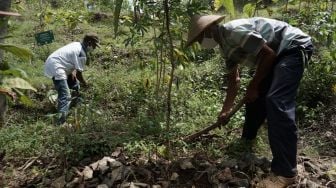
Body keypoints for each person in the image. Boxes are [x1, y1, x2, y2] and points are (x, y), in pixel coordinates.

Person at [186, 15, 313, 188]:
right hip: (276, 57)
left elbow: (268, 55)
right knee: (255, 100)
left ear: (209, 31)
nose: (201, 43)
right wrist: (225, 111)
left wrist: (253, 85)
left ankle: (285, 172)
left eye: (200, 38)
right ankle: (246, 141)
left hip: (292, 47)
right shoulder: (225, 47)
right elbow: (234, 80)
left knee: (276, 100)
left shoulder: (233, 31)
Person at [44, 33, 100, 125]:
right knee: (65, 96)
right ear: (89, 43)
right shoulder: (81, 53)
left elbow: (71, 62)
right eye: (94, 45)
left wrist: (73, 74)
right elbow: (79, 74)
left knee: (74, 85)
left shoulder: (77, 44)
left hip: (57, 63)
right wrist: (85, 84)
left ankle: (77, 108)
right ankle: (60, 122)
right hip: (57, 67)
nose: (95, 48)